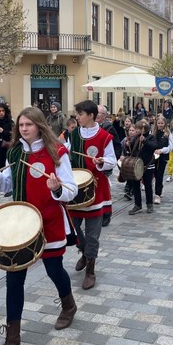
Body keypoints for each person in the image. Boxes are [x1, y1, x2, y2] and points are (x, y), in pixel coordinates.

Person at [0, 106, 78, 345]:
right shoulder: (14, 152)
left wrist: (57, 188)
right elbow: (8, 186)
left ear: (39, 126)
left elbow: (72, 190)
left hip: (49, 222)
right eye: (21, 125)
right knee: (13, 279)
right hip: (19, 225)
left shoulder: (57, 151)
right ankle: (13, 337)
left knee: (54, 270)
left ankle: (69, 305)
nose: (24, 129)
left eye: (29, 125)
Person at [68, 100, 116, 289]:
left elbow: (113, 160)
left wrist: (103, 161)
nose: (77, 117)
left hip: (96, 189)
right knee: (72, 229)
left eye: (80, 114)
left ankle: (90, 269)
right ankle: (85, 251)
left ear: (90, 115)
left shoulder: (105, 137)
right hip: (75, 189)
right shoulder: (72, 135)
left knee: (93, 234)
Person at [125, 119, 158, 215]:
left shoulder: (151, 137)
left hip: (148, 165)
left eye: (138, 129)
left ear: (144, 129)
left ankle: (149, 204)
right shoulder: (136, 137)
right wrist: (128, 145)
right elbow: (132, 149)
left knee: (148, 185)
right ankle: (137, 205)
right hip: (137, 165)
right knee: (136, 185)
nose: (136, 131)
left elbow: (154, 146)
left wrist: (145, 141)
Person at [96, 105, 121, 227]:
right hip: (92, 164)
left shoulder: (108, 128)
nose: (96, 115)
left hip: (104, 164)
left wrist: (110, 162)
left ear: (104, 116)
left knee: (104, 189)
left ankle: (106, 214)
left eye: (99, 113)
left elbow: (117, 146)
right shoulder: (88, 128)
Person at [152, 114, 172, 204]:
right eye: (158, 123)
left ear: (165, 123)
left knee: (159, 175)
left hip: (162, 156)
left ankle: (157, 194)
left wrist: (162, 150)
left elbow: (171, 146)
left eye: (162, 123)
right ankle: (159, 188)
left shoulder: (168, 133)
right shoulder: (153, 133)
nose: (160, 124)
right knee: (155, 175)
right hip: (153, 156)